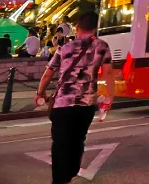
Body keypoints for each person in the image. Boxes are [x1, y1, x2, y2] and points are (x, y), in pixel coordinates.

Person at [35, 11, 114, 184]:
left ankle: (59, 180)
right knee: (78, 139)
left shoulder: (65, 48)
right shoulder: (102, 46)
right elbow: (108, 72)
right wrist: (109, 96)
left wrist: (40, 92)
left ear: (77, 28)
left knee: (59, 143)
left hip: (62, 104)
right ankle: (71, 171)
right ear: (95, 28)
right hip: (85, 105)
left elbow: (48, 74)